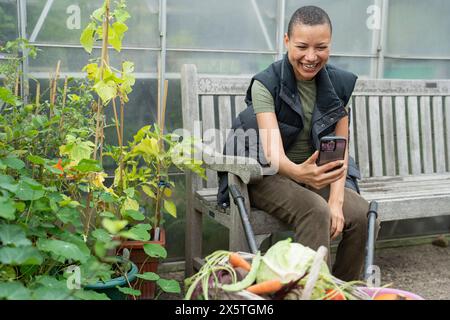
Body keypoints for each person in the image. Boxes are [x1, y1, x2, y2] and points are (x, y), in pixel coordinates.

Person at [218, 5, 379, 281]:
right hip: (267, 173)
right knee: (315, 210)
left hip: (314, 175)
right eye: (302, 46)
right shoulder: (266, 84)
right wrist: (300, 173)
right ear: (286, 42)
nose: (311, 56)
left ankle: (342, 289)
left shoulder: (339, 85)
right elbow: (273, 154)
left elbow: (339, 149)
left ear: (330, 45)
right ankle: (311, 289)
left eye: (321, 47)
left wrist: (337, 201)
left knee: (363, 214)